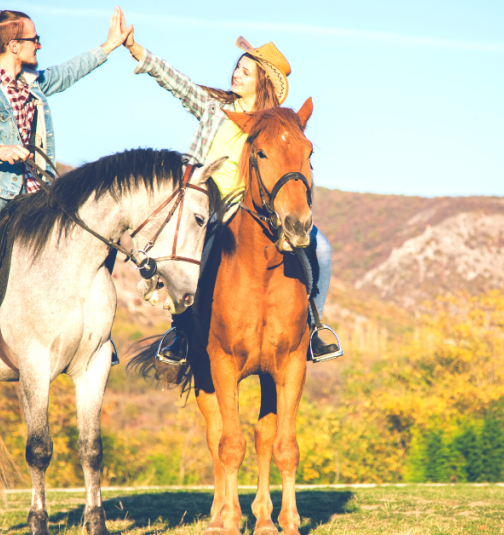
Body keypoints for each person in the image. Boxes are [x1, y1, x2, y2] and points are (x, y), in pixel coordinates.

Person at [0, 8, 134, 377]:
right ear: (13, 45)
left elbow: (67, 73)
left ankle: (96, 334)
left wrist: (110, 46)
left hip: (35, 188)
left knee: (92, 234)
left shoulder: (33, 82)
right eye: (34, 40)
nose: (40, 45)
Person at [124, 32, 341, 361]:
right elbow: (177, 82)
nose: (236, 73)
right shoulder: (214, 109)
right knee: (184, 254)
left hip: (261, 210)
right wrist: (135, 49)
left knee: (321, 248)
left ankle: (313, 329)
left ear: (262, 81)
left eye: (245, 70)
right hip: (209, 205)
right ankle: (181, 331)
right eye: (237, 67)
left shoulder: (274, 124)